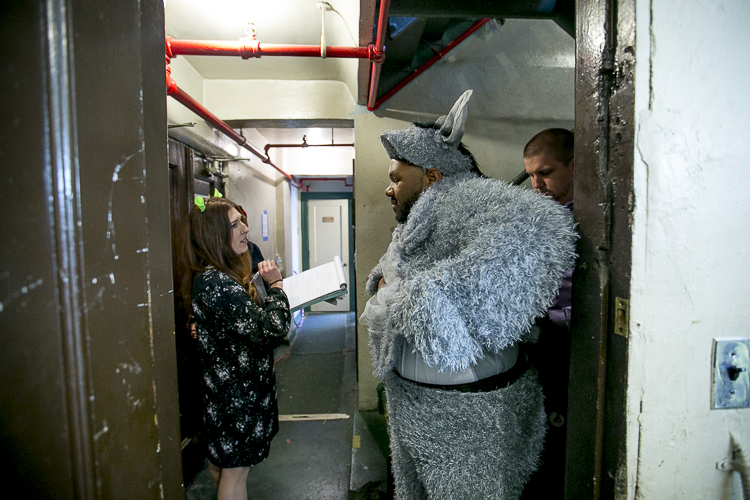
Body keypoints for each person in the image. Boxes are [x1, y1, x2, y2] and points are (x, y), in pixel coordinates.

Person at [360, 90, 577, 499]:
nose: (389, 190)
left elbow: (534, 232)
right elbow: (380, 290)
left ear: (432, 175)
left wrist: (407, 294)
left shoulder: (489, 211)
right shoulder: (413, 229)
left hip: (468, 417)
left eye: (395, 178)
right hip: (414, 407)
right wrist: (395, 295)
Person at [184, 196, 291, 500]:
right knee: (235, 472)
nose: (245, 228)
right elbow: (270, 331)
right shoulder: (219, 283)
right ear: (216, 235)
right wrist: (277, 288)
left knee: (222, 467)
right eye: (235, 224)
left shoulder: (212, 277)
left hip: (223, 396)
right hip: (236, 400)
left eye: (242, 221)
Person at [521, 128, 575, 499]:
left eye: (546, 172)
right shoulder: (542, 217)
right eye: (530, 175)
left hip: (569, 350)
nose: (536, 184)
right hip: (539, 347)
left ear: (576, 166)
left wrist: (544, 320)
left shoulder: (593, 224)